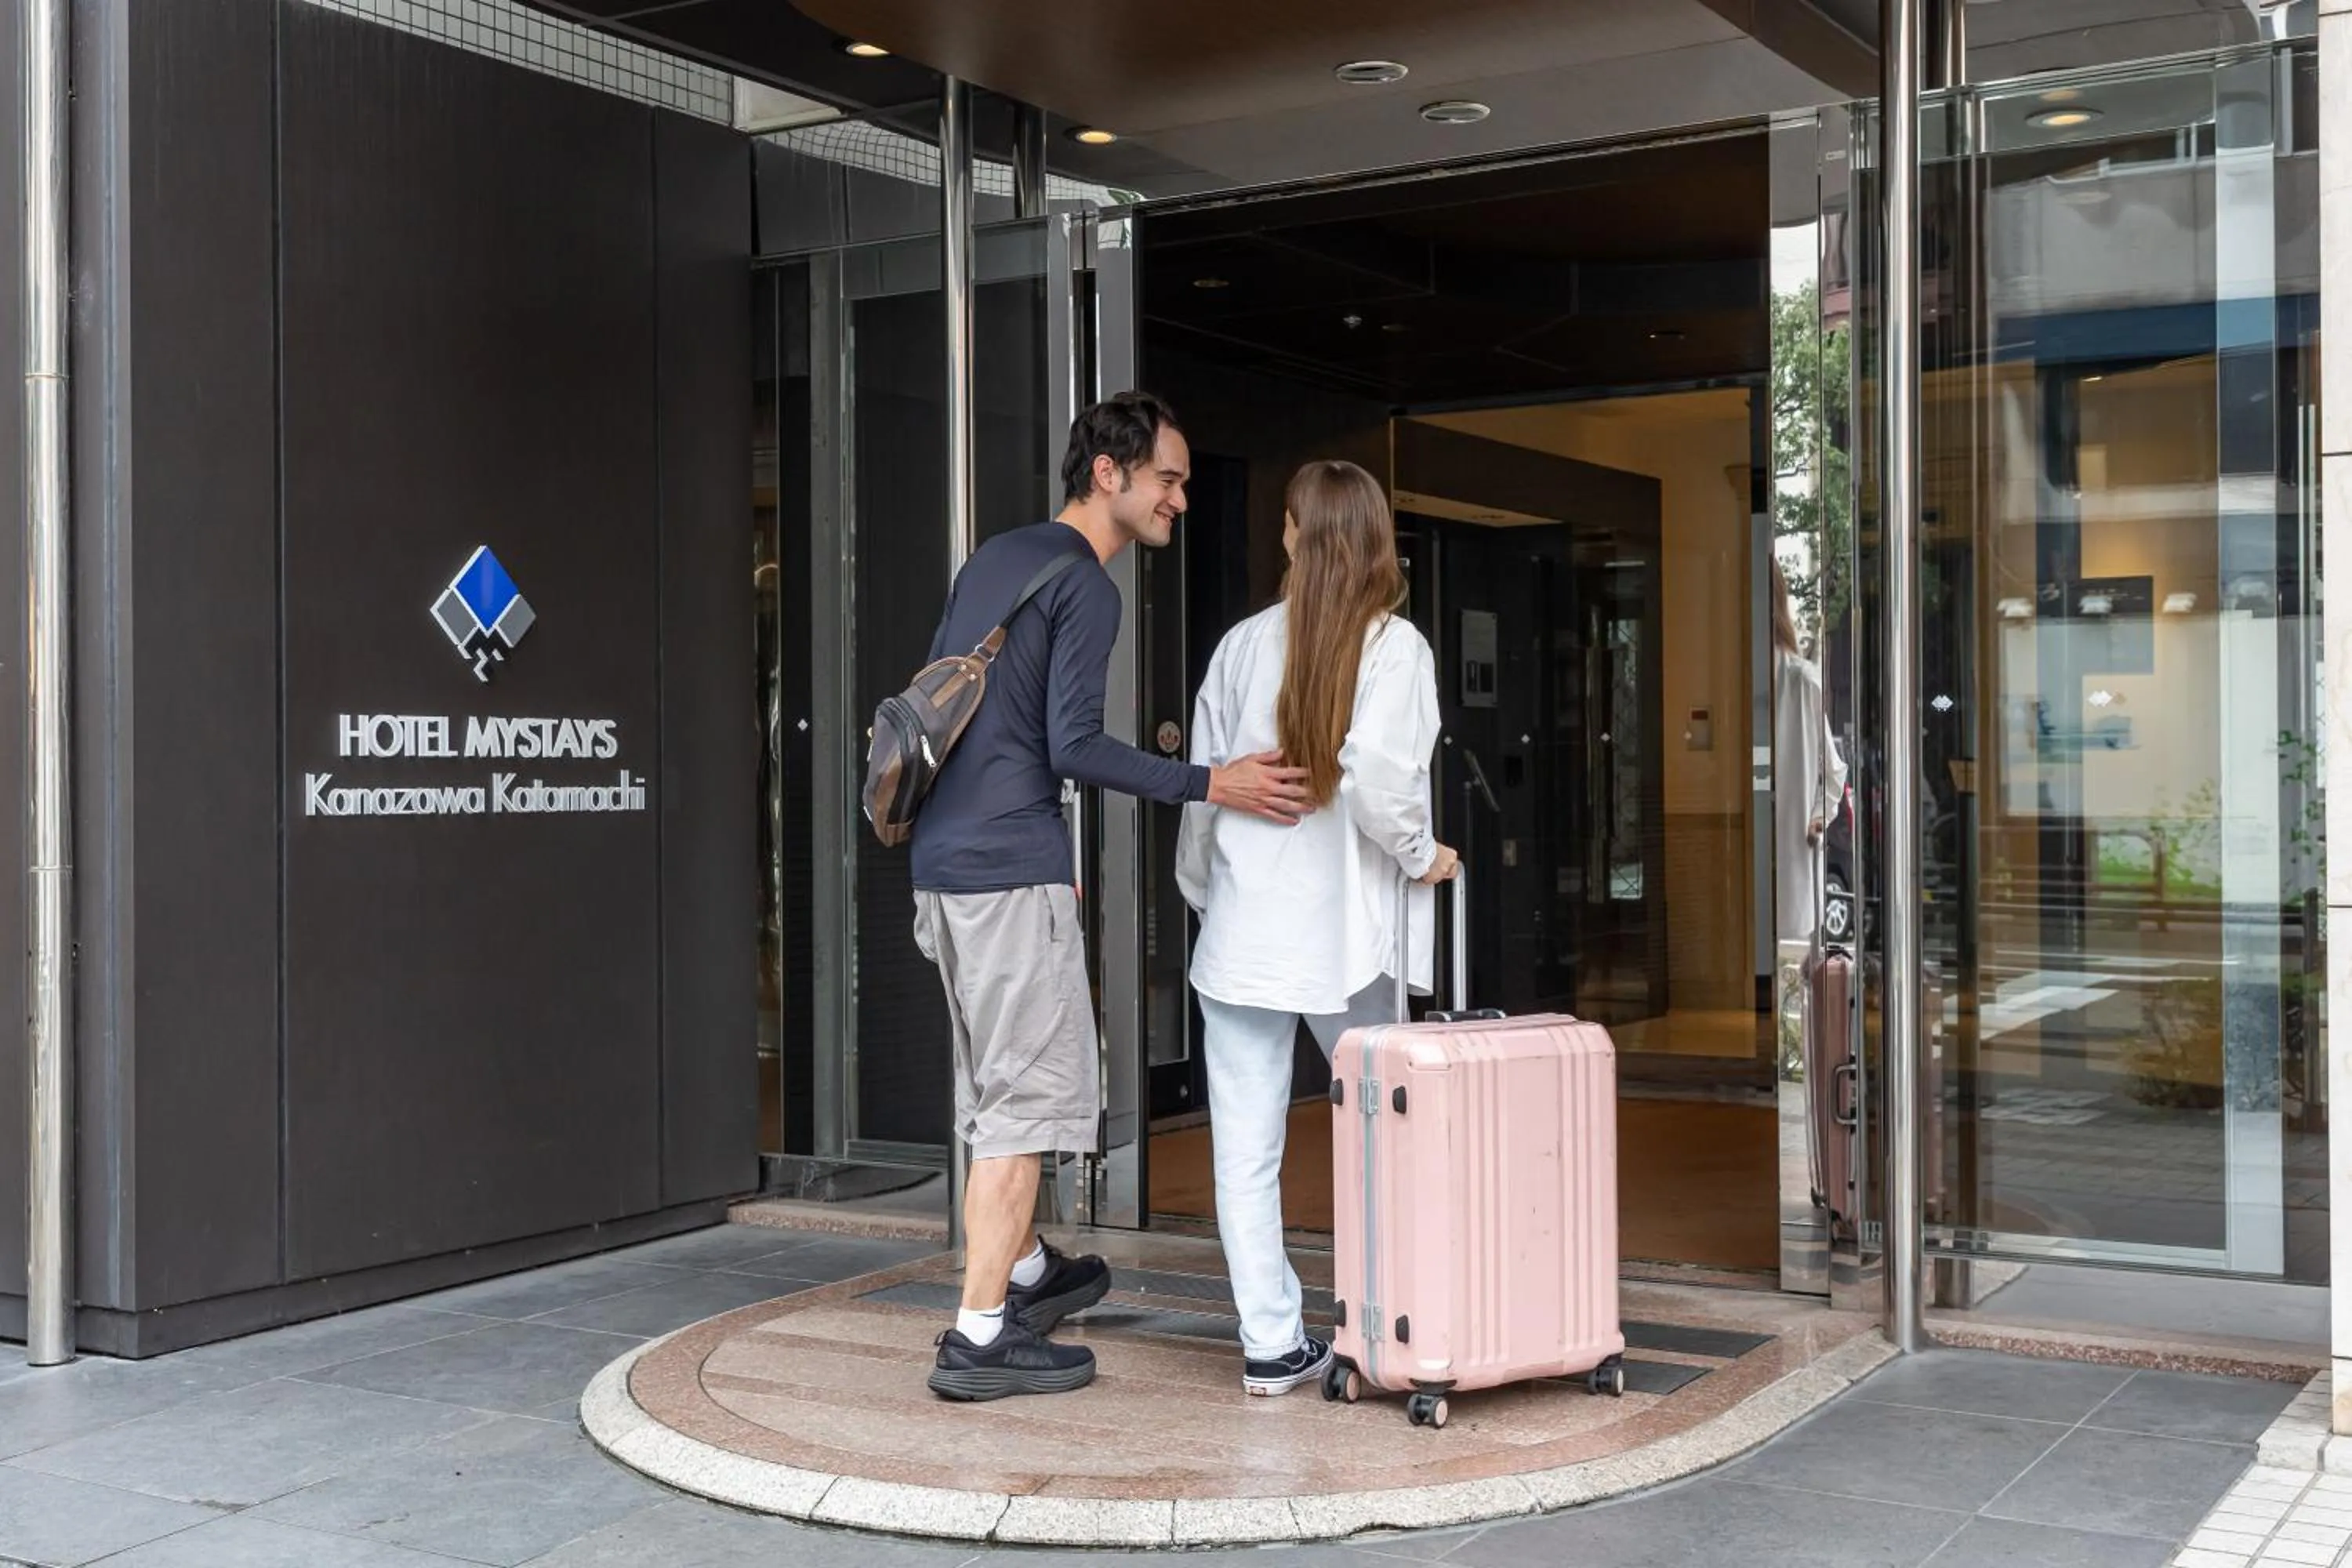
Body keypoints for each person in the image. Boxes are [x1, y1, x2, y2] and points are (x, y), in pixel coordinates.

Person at [913, 391, 1313, 1402]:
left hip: (943, 871)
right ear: (1110, 474)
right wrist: (1211, 781)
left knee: (997, 1085)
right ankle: (977, 1334)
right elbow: (1072, 746)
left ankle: (1032, 1267)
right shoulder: (1088, 587)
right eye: (1169, 478)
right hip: (1010, 874)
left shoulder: (996, 557)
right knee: (1022, 1104)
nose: (1181, 497)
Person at [1175, 459, 1457, 1397]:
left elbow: (1205, 800)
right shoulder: (1396, 649)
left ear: (1293, 533)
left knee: (1245, 1152)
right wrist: (1422, 855)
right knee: (1387, 1140)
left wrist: (1207, 897)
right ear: (1378, 541)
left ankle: (1270, 1343)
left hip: (1245, 938)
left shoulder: (1243, 645)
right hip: (1349, 946)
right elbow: (1380, 784)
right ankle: (1390, 1324)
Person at [1771, 558, 1847, 945]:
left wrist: (1817, 818)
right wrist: (1818, 815)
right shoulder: (1799, 678)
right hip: (1790, 872)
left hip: (1788, 865)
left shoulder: (1800, 680)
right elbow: (1834, 773)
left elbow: (1834, 771)